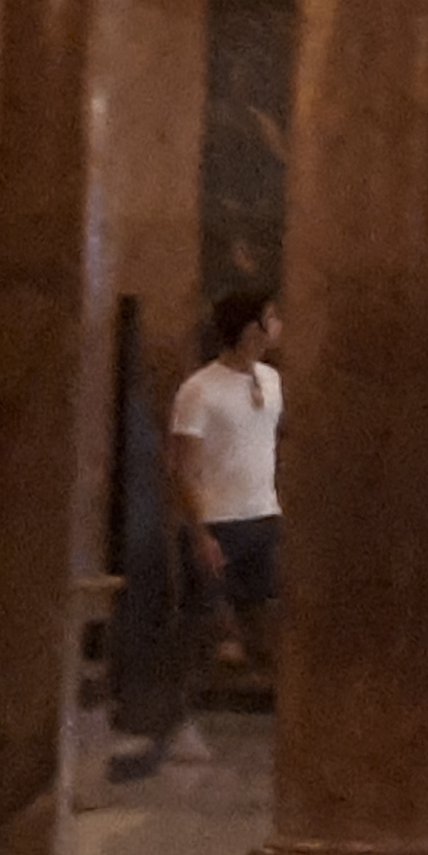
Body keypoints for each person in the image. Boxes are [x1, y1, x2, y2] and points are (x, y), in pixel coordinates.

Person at [166, 288, 287, 705]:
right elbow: (183, 467)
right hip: (218, 522)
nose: (278, 326)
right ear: (252, 329)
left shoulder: (271, 380)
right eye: (271, 318)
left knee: (264, 619)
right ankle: (178, 714)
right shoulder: (199, 390)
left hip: (263, 516)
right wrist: (200, 532)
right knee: (204, 624)